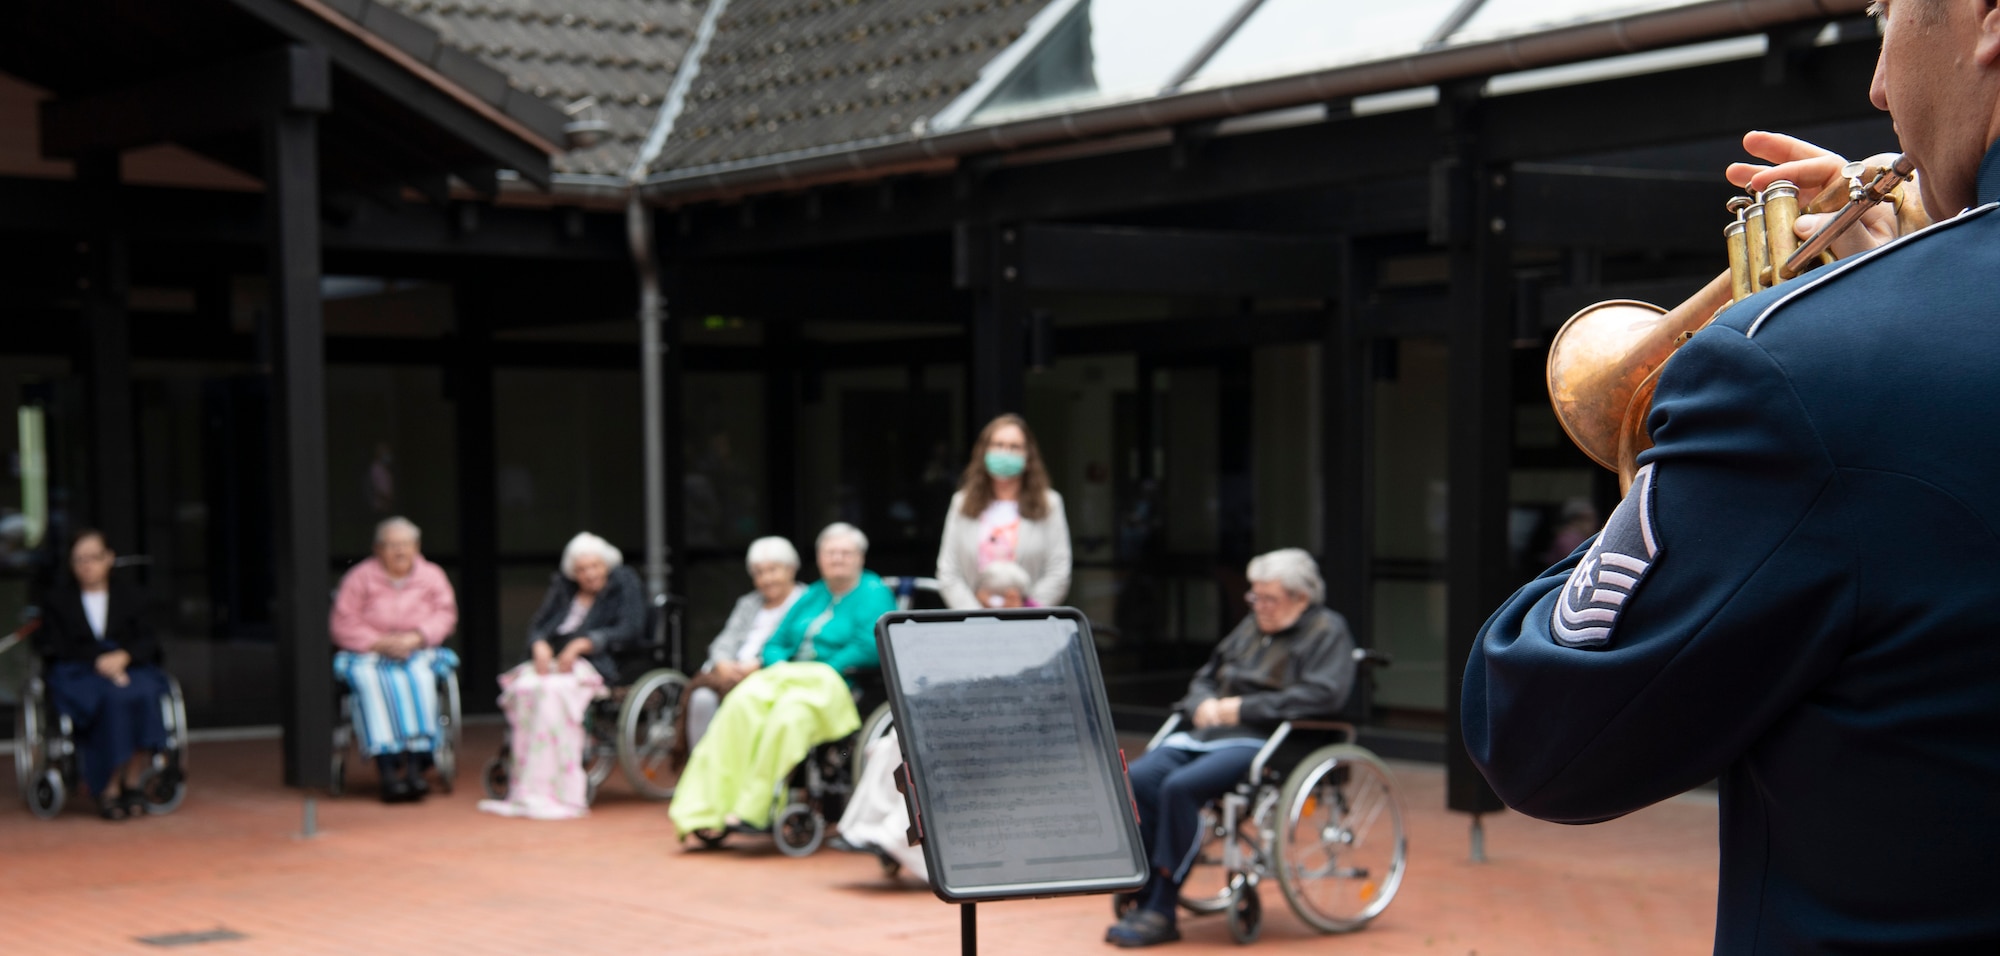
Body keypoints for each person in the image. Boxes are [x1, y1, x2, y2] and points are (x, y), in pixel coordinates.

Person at [1464, 2, 2000, 948]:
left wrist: (1819, 341)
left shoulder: (1788, 370)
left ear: (1986, 19)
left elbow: (1537, 732)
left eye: (1889, 12)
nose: (1877, 86)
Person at [1106, 549, 1355, 948]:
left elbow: (1323, 696)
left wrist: (1243, 707)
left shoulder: (1327, 630)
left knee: (1180, 788)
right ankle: (1145, 881)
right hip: (1207, 734)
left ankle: (1162, 906)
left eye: (1269, 598)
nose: (1259, 606)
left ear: (1301, 598)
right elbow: (1206, 676)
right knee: (1136, 778)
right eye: (1255, 597)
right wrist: (1201, 703)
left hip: (1265, 740)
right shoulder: (1251, 626)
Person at [669, 522, 897, 839]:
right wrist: (780, 665)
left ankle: (754, 809)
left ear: (860, 557)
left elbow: (871, 644)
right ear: (818, 558)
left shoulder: (874, 593)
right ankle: (704, 806)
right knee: (740, 706)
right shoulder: (814, 593)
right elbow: (775, 642)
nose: (837, 559)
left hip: (836, 683)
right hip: (787, 676)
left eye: (846, 552)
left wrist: (826, 666)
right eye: (830, 553)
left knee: (787, 718)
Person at [832, 561, 1035, 879]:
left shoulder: (1034, 631)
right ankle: (864, 829)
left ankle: (896, 838)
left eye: (987, 599)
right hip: (962, 719)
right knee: (891, 745)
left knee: (929, 754)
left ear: (1010, 596)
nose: (980, 605)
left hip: (1003, 730)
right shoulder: (981, 625)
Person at [478, 532, 643, 820]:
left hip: (598, 662)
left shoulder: (624, 583)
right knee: (524, 688)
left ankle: (559, 783)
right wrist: (539, 644)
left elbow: (630, 629)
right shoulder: (563, 588)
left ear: (606, 564)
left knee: (553, 694)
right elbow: (538, 625)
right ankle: (530, 779)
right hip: (555, 662)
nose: (589, 574)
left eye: (595, 566)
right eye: (581, 569)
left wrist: (584, 643)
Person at [32, 530, 169, 820]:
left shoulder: (133, 596)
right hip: (79, 672)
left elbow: (148, 640)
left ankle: (132, 782)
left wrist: (123, 658)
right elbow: (52, 645)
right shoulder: (58, 601)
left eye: (93, 558)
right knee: (112, 700)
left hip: (130, 667)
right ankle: (107, 788)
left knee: (143, 693)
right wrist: (101, 663)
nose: (87, 565)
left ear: (109, 559)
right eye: (79, 559)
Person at [330, 516, 459, 803]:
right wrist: (379, 642)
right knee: (371, 681)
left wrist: (416, 637)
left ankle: (415, 767)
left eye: (405, 545)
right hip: (371, 652)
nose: (399, 551)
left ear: (417, 547)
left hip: (417, 649)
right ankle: (387, 770)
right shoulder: (360, 577)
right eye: (392, 545)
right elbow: (342, 622)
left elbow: (446, 615)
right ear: (378, 549)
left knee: (421, 679)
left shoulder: (432, 576)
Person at [669, 536, 806, 768]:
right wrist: (722, 662)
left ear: (791, 569)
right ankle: (700, 771)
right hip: (732, 673)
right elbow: (725, 640)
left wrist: (759, 665)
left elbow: (801, 647)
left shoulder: (807, 601)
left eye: (773, 570)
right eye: (759, 573)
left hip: (771, 674)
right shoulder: (749, 603)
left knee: (746, 702)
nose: (766, 579)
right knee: (701, 697)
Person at [935, 414, 1072, 610]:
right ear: (984, 451)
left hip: (1030, 626)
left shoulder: (1050, 504)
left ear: (1028, 456)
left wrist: (1025, 610)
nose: (1005, 453)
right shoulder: (961, 503)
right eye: (998, 445)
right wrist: (976, 615)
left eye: (1014, 447)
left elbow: (1058, 572)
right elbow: (948, 572)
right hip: (973, 626)